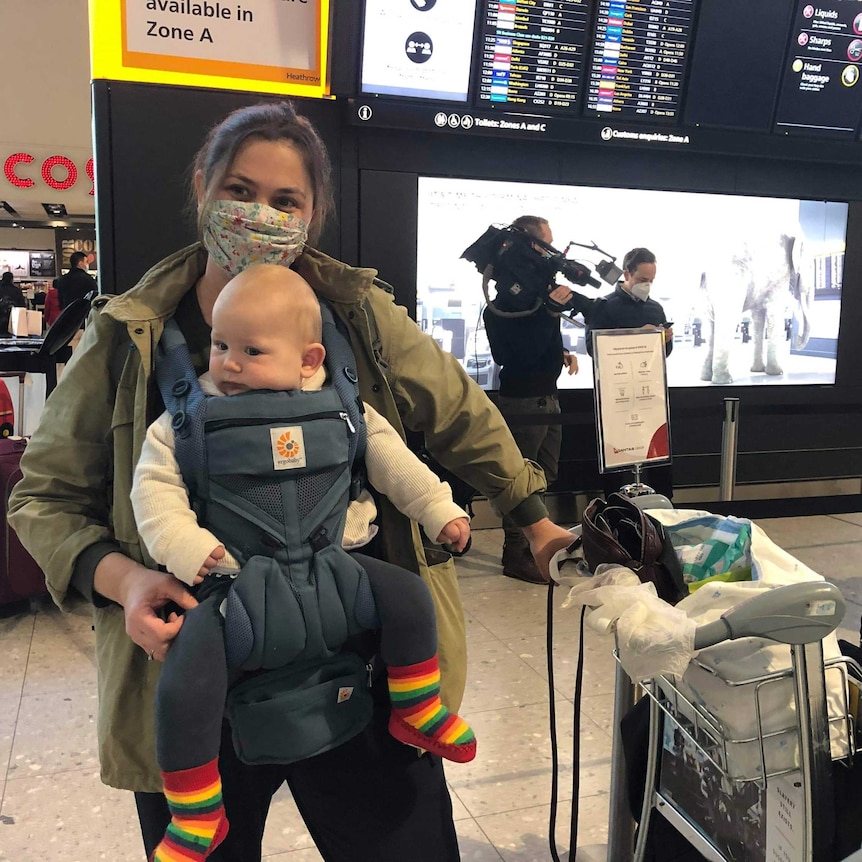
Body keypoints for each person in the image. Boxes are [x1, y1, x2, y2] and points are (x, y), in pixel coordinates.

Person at [8, 100, 574, 862]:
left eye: (285, 201)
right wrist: (123, 581)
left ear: (312, 215)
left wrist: (533, 517)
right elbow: (43, 496)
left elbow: (461, 416)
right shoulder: (126, 334)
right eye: (238, 191)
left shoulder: (356, 315)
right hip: (200, 682)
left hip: (361, 667)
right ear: (202, 188)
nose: (258, 215)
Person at [132, 263, 476, 859]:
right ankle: (193, 808)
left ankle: (416, 706)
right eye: (218, 345)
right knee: (187, 677)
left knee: (408, 598)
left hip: (337, 573)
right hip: (238, 589)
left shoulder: (343, 406)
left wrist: (440, 511)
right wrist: (186, 549)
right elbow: (153, 492)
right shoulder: (185, 419)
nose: (228, 363)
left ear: (310, 358)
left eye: (251, 350)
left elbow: (395, 463)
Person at [482, 215, 578, 584]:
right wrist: (549, 313)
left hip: (547, 397)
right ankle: (516, 552)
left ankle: (534, 541)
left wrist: (560, 352)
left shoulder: (535, 296)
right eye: (546, 244)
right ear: (530, 246)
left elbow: (539, 341)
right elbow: (516, 351)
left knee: (546, 473)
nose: (552, 252)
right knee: (520, 482)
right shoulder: (507, 300)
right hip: (523, 401)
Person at [584, 247, 674, 500]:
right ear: (626, 274)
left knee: (658, 454)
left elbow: (664, 353)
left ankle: (665, 507)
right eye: (642, 280)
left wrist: (664, 340)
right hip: (615, 396)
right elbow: (593, 348)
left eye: (651, 281)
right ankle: (613, 508)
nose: (647, 286)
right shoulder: (603, 307)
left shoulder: (655, 308)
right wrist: (636, 336)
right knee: (616, 456)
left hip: (650, 394)